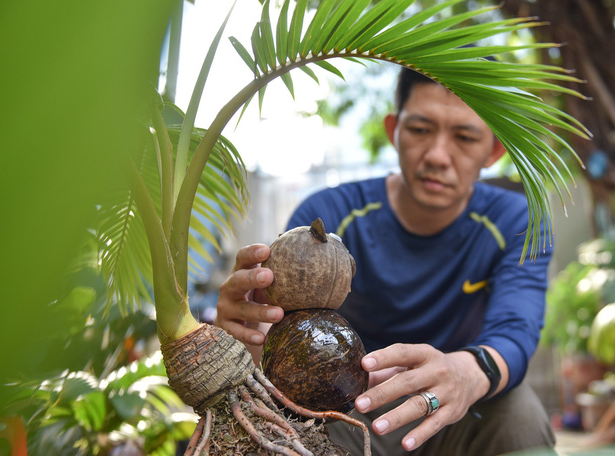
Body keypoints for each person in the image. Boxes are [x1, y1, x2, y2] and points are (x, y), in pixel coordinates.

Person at [216, 66, 557, 456]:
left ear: (494, 150)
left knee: (519, 412)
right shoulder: (327, 219)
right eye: (419, 130)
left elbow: (515, 333)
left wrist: (463, 373)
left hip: (460, 406)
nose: (437, 155)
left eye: (464, 136)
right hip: (348, 412)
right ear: (394, 130)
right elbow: (283, 344)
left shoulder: (514, 221)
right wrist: (242, 339)